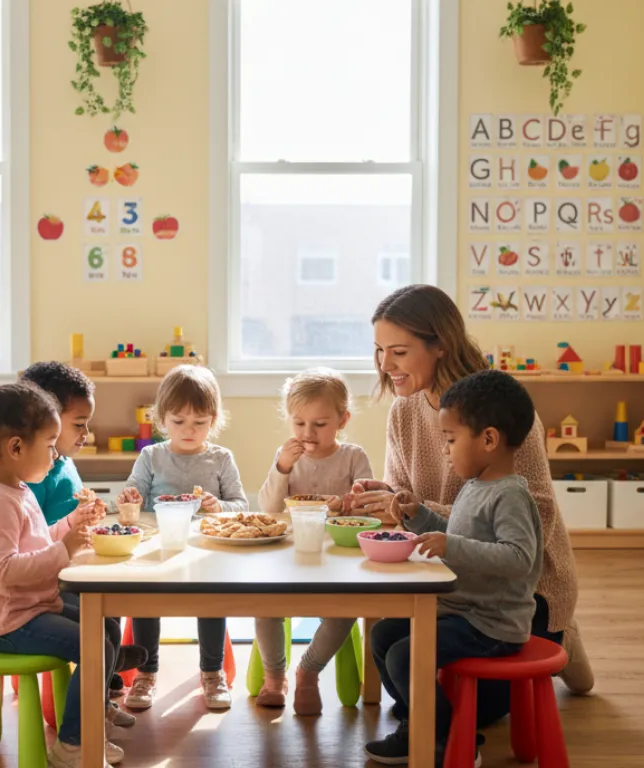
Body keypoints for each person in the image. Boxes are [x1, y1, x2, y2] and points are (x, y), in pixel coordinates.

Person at [349, 284, 592, 723]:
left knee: (474, 714)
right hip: (452, 583)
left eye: (399, 351)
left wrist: (432, 519)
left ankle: (560, 628)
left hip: (519, 590)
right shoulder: (403, 412)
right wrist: (387, 499)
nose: (385, 365)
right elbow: (406, 501)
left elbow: (538, 516)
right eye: (379, 350)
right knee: (401, 672)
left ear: (440, 344)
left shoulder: (497, 407)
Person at [0, 369, 137, 767]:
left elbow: (40, 539)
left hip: (30, 605)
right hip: (7, 622)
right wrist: (65, 550)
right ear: (16, 447)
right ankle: (72, 745)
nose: (56, 455)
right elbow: (5, 571)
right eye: (50, 444)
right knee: (95, 645)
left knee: (102, 621)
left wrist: (73, 525)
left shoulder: (17, 490)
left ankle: (94, 707)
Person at [366, 370, 543, 766]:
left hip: (492, 624)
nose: (445, 450)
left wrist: (453, 545)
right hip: (462, 611)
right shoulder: (476, 485)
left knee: (403, 656)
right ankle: (421, 720)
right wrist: (421, 517)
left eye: (450, 439)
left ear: (489, 439)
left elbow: (519, 558)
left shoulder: (510, 494)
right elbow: (459, 534)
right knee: (383, 636)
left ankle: (449, 738)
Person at [115, 365, 247, 711]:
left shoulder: (221, 458)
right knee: (145, 603)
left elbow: (240, 506)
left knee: (212, 601)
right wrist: (130, 498)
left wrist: (218, 505)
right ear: (161, 419)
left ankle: (212, 671)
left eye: (200, 423)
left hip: (205, 552)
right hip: (159, 550)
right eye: (178, 422)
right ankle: (146, 673)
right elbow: (134, 493)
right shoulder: (152, 456)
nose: (189, 431)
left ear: (214, 419)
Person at [254, 368, 374, 714]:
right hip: (290, 556)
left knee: (346, 610)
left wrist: (350, 501)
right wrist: (281, 468)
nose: (308, 434)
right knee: (263, 606)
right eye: (299, 424)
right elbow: (269, 508)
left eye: (320, 425)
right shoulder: (288, 457)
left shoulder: (353, 456)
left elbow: (366, 507)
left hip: (337, 559)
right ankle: (274, 677)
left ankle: (308, 670)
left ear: (343, 419)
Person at [20, 361, 96, 525]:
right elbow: (29, 539)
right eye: (79, 425)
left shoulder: (63, 459)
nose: (86, 433)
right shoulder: (33, 476)